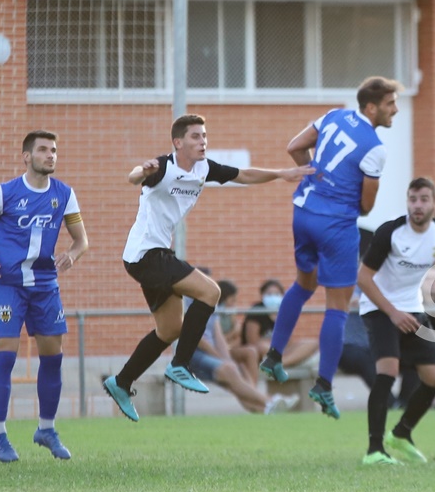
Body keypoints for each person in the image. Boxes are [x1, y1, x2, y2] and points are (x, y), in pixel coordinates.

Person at [102, 114, 312, 421]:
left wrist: (282, 173)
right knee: (210, 291)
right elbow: (135, 176)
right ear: (178, 143)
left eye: (204, 136)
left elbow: (245, 174)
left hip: (152, 257)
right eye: (195, 137)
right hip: (146, 255)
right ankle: (180, 365)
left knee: (171, 328)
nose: (203, 141)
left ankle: (121, 382)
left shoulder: (204, 168)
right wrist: (140, 171)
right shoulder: (163, 167)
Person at [260, 76, 402, 419]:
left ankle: (274, 356)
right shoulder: (375, 148)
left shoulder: (333, 116)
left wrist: (315, 177)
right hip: (336, 226)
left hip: (303, 212)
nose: (395, 109)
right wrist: (341, 192)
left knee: (303, 284)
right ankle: (324, 385)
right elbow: (366, 206)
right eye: (389, 104)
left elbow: (295, 147)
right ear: (371, 107)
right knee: (337, 307)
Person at [0, 130, 88, 462]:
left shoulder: (64, 194)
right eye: (44, 150)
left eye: (54, 151)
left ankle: (46, 429)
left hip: (46, 286)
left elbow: (81, 240)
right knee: (6, 356)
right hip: (8, 286)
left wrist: (72, 256)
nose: (51, 155)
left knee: (53, 357)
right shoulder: (5, 193)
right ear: (27, 156)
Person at [356, 177, 435, 465]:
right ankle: (374, 450)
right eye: (413, 199)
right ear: (407, 202)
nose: (417, 205)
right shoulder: (390, 232)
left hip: (412, 308)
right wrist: (392, 313)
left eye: (424, 199)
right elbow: (363, 277)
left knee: (434, 379)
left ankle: (401, 433)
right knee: (388, 371)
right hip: (379, 308)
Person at [181, 280, 297, 415]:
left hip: (217, 352)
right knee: (230, 369)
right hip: (197, 354)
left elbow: (220, 339)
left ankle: (261, 406)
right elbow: (199, 339)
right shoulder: (186, 305)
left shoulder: (213, 306)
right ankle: (268, 401)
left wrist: (226, 358)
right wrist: (222, 358)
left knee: (242, 362)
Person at [241, 279, 317, 381]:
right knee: (263, 346)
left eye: (276, 294)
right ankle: (278, 362)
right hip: (264, 350)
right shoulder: (257, 311)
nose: (273, 297)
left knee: (313, 343)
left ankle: (280, 363)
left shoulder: (284, 311)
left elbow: (289, 342)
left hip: (281, 351)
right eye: (269, 294)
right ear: (262, 295)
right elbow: (253, 342)